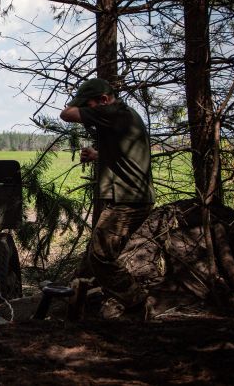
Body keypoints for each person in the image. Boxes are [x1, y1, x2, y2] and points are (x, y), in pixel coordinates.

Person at [59, 77, 155, 319]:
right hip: (129, 198)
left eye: (89, 104)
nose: (89, 111)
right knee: (97, 258)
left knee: (101, 258)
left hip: (129, 200)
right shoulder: (123, 116)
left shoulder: (114, 112)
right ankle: (84, 309)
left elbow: (67, 114)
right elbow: (125, 156)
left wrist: (83, 109)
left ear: (103, 100)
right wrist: (97, 155)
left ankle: (137, 305)